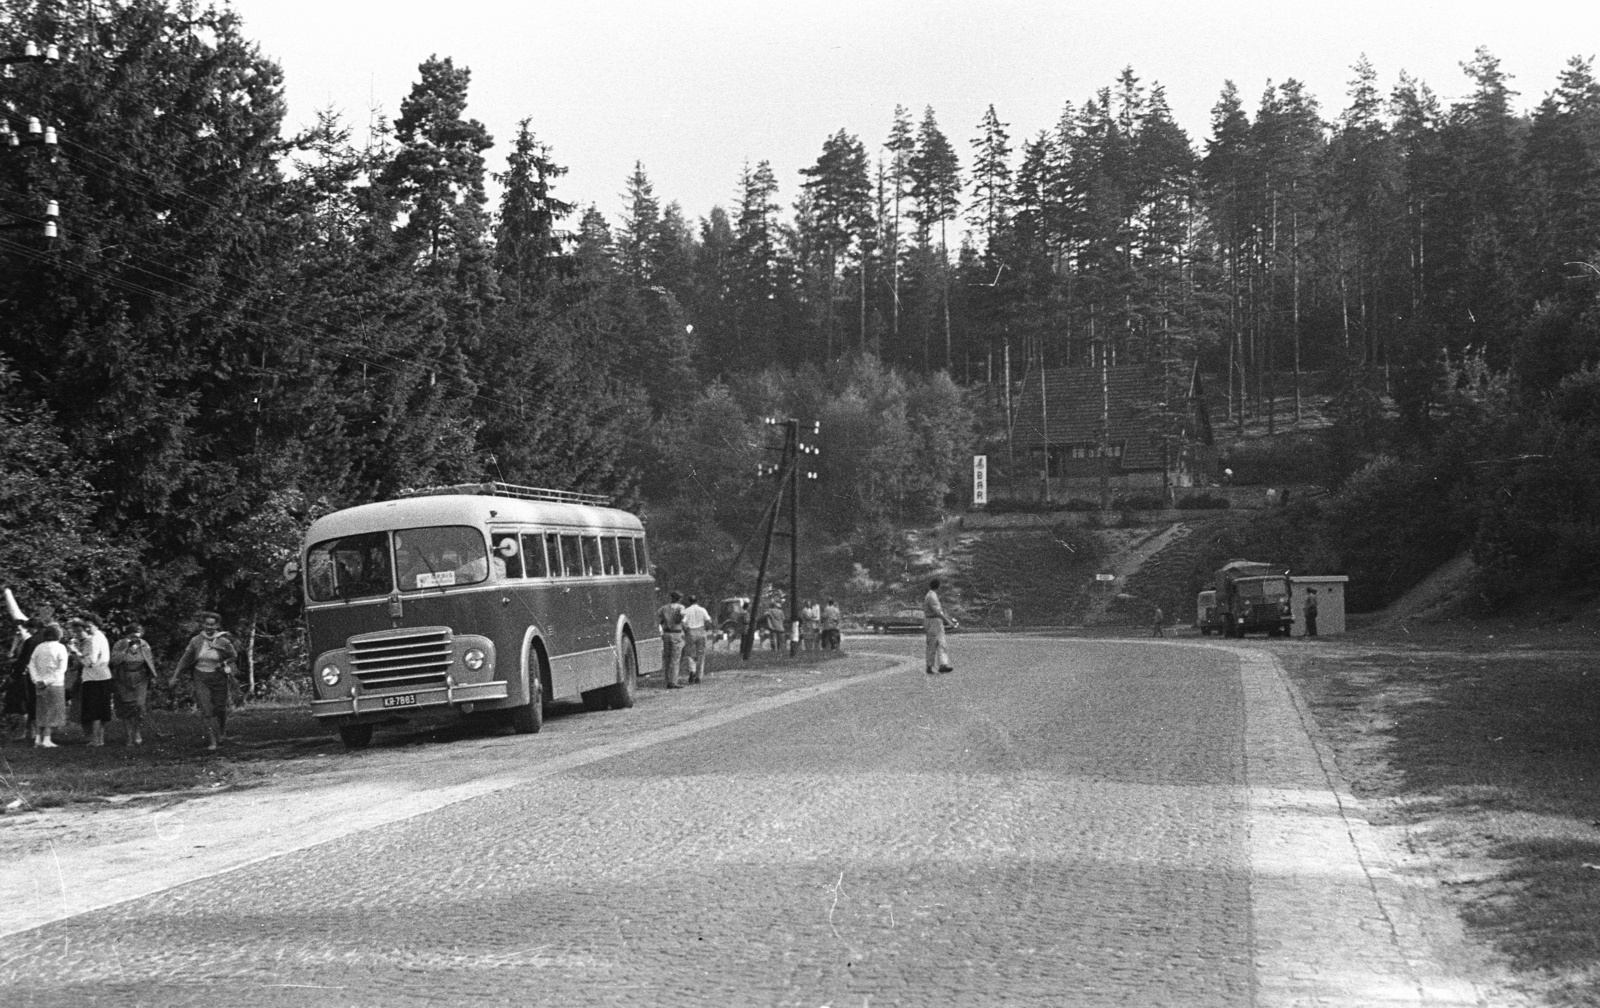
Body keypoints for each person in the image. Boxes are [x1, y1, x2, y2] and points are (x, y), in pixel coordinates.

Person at [173, 611, 239, 750]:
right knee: (206, 709)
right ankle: (212, 740)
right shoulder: (196, 640)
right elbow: (185, 659)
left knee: (220, 709)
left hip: (218, 677)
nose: (209, 627)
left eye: (212, 625)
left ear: (217, 625)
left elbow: (233, 655)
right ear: (203, 625)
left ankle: (221, 731)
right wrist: (175, 676)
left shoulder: (224, 641)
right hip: (201, 676)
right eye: (207, 624)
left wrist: (225, 662)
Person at [110, 622, 158, 745]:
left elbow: (149, 661)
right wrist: (126, 649)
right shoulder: (120, 644)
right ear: (128, 635)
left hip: (140, 678)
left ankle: (136, 731)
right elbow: (114, 662)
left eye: (138, 636)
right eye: (132, 636)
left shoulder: (144, 644)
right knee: (127, 708)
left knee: (139, 707)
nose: (135, 639)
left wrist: (152, 676)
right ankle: (129, 735)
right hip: (124, 678)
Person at [68, 617, 113, 746]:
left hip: (93, 678)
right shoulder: (101, 637)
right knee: (101, 711)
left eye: (89, 626)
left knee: (94, 711)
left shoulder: (94, 639)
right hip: (103, 676)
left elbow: (89, 662)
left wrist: (75, 651)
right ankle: (100, 739)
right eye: (86, 626)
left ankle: (96, 740)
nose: (87, 629)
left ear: (96, 625)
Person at [27, 623, 69, 747]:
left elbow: (31, 664)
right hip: (55, 684)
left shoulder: (39, 647)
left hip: (39, 683)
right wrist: (47, 681)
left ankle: (38, 739)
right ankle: (47, 739)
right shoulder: (60, 648)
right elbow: (62, 668)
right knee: (52, 712)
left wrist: (36, 679)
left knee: (41, 710)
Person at [7, 617, 46, 742]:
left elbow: (23, 660)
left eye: (20, 629)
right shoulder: (30, 640)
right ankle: (31, 732)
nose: (18, 632)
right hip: (28, 674)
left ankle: (33, 732)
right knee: (26, 703)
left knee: (28, 702)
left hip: (26, 674)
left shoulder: (31, 641)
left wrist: (14, 674)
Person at [923, 579, 958, 674]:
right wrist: (948, 621)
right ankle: (930, 666)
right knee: (933, 644)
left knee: (941, 643)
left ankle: (942, 664)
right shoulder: (931, 596)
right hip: (933, 621)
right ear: (938, 586)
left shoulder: (931, 595)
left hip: (935, 621)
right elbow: (937, 612)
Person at [656, 591, 686, 688]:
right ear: (679, 599)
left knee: (667, 658)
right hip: (676, 633)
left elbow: (658, 617)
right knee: (675, 659)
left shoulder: (664, 608)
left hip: (666, 633)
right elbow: (682, 616)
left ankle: (666, 680)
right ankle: (673, 681)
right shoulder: (680, 607)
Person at [681, 595, 712, 684]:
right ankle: (699, 676)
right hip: (701, 631)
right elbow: (709, 621)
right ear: (697, 601)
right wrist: (706, 629)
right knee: (701, 654)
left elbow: (683, 623)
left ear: (689, 601)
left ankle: (692, 671)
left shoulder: (686, 611)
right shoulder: (702, 610)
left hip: (690, 632)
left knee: (690, 654)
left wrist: (686, 630)